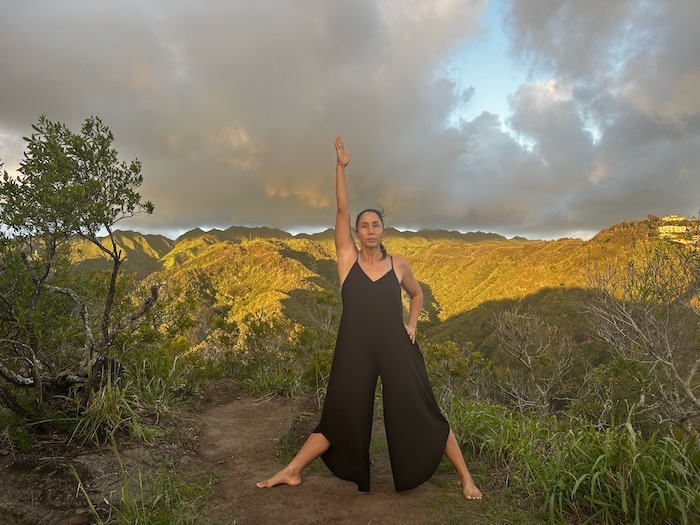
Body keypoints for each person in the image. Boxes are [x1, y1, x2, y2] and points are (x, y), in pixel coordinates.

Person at [256, 136, 482, 500]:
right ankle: (292, 471)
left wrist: (412, 324)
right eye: (364, 226)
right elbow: (342, 209)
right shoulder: (347, 260)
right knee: (338, 414)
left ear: (383, 231)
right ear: (357, 234)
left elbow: (418, 294)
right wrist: (340, 168)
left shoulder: (398, 265)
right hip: (354, 349)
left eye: (376, 224)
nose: (370, 230)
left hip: (396, 347)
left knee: (424, 410)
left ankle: (465, 477)